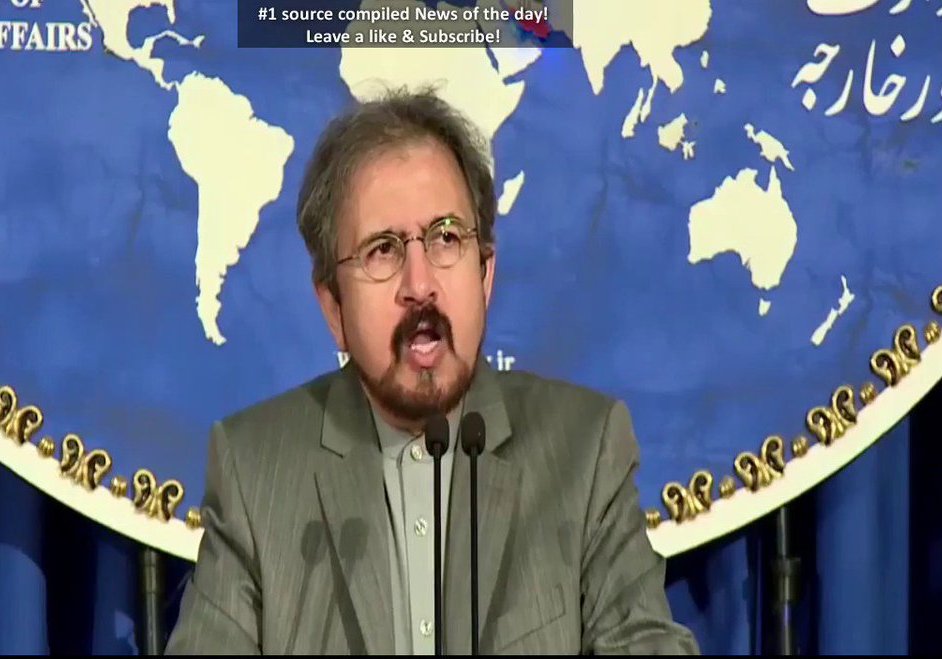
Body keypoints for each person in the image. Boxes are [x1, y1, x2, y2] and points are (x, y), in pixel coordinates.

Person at [164, 86, 701, 655]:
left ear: (485, 276)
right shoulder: (255, 472)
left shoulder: (583, 453)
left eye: (446, 238)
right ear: (333, 308)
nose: (419, 285)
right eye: (382, 250)